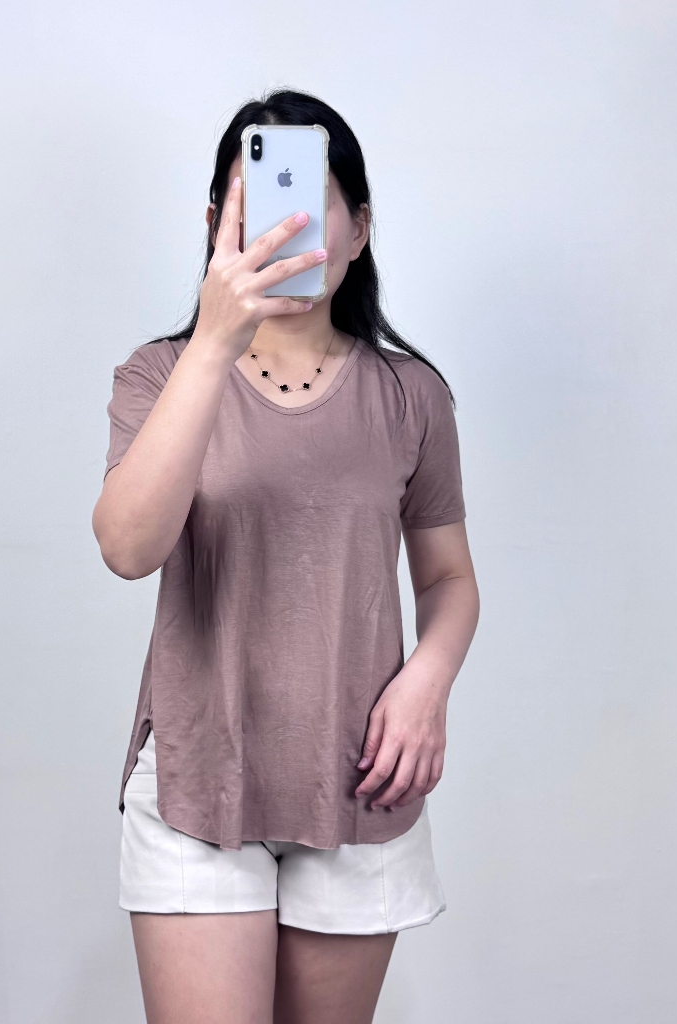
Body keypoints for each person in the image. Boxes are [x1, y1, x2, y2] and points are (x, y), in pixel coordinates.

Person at [92, 89, 480, 1024]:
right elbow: (129, 548)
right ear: (216, 226)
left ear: (360, 229)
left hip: (360, 775)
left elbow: (448, 578)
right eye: (258, 203)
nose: (286, 226)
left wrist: (427, 684)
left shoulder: (411, 395)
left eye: (312, 202)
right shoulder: (158, 374)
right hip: (198, 774)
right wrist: (214, 342)